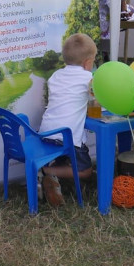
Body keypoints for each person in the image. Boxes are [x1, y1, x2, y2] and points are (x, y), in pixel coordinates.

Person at [39, 33, 97, 207]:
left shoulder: (55, 76)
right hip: (68, 137)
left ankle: (53, 175)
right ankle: (45, 171)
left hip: (46, 132)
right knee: (86, 171)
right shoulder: (89, 79)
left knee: (63, 156)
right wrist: (97, 102)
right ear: (88, 63)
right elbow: (95, 111)